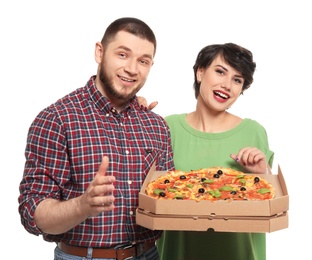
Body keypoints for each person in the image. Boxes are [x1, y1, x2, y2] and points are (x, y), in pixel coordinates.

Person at [18, 17, 174, 260]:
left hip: (149, 254)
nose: (132, 69)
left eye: (143, 61)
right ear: (99, 52)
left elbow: (168, 197)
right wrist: (82, 206)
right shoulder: (57, 119)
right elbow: (33, 214)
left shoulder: (156, 126)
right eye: (123, 55)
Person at [141, 43, 274, 260]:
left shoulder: (254, 131)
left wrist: (262, 173)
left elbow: (271, 199)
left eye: (237, 80)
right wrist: (133, 117)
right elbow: (143, 187)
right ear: (200, 72)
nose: (227, 85)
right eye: (220, 71)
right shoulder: (167, 127)